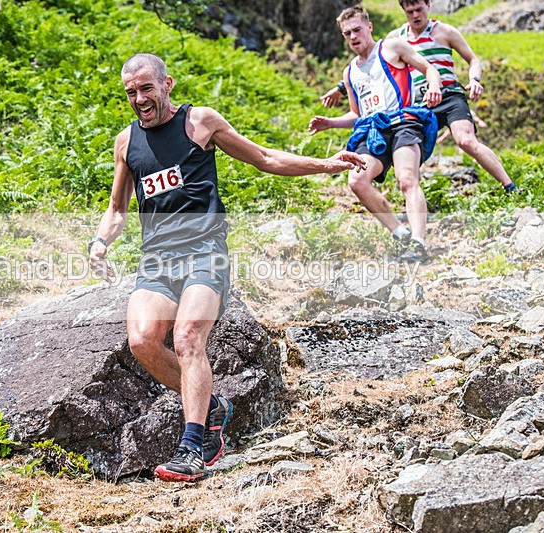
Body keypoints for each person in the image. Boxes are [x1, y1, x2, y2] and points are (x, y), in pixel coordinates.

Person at [88, 53, 366, 483]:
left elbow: (265, 159)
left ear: (167, 85)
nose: (140, 98)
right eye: (131, 92)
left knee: (186, 338)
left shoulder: (201, 122)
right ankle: (210, 404)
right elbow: (116, 208)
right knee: (143, 340)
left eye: (147, 88)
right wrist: (100, 242)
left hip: (204, 251)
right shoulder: (126, 142)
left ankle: (194, 445)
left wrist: (326, 165)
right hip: (158, 260)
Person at [321, 0, 520, 194]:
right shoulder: (396, 37)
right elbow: (372, 60)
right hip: (420, 104)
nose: (415, 15)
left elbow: (473, 59)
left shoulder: (444, 31)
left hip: (449, 95)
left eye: (418, 10)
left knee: (465, 140)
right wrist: (340, 88)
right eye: (410, 12)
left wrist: (475, 79)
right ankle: (413, 198)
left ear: (428, 6)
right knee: (408, 151)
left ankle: (509, 186)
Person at [309, 6, 441, 263]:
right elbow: (356, 114)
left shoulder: (392, 47)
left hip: (403, 122)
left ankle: (418, 243)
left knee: (406, 178)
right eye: (347, 33)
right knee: (356, 181)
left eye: (357, 29)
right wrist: (330, 123)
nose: (353, 36)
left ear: (369, 27)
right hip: (373, 131)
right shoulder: (350, 73)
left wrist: (434, 86)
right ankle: (400, 233)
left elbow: (429, 69)